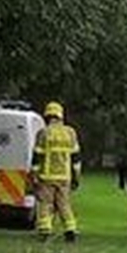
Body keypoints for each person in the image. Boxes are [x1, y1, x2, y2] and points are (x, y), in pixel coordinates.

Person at [31, 101, 81, 242]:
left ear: (47, 116)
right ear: (61, 116)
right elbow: (76, 159)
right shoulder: (70, 133)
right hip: (65, 177)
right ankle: (70, 229)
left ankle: (45, 230)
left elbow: (37, 157)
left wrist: (34, 176)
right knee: (64, 204)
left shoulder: (43, 133)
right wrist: (76, 177)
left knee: (46, 204)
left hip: (46, 177)